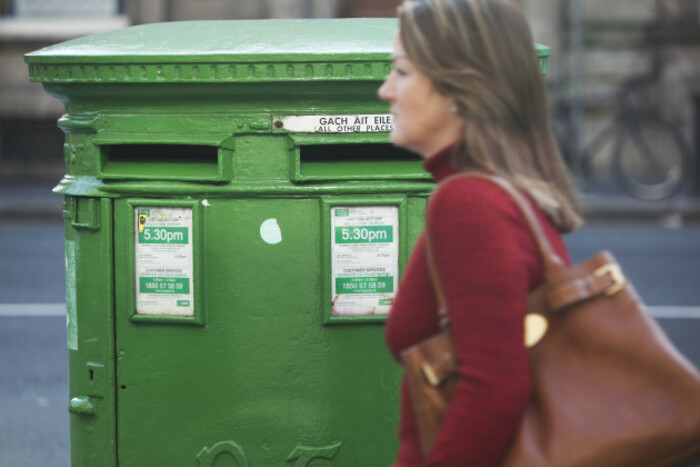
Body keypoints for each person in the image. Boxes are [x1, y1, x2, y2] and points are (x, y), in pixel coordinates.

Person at [379, 0, 583, 465]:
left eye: (402, 72)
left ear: (459, 88)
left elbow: (493, 390)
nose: (385, 90)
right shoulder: (502, 192)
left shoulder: (470, 203)